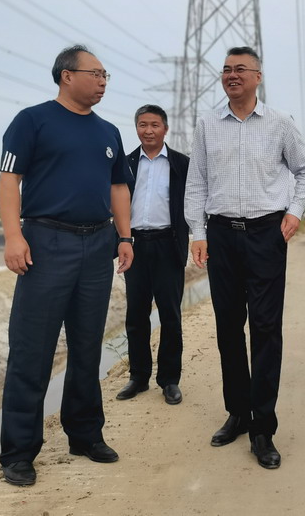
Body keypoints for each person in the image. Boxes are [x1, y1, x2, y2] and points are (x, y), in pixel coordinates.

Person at [0, 45, 133, 486]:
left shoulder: (109, 132)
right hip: (46, 242)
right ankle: (19, 452)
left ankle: (85, 434)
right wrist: (13, 235)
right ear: (66, 75)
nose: (103, 81)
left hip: (98, 245)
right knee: (32, 350)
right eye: (96, 73)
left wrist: (125, 236)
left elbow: (118, 188)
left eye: (106, 74)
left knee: (88, 345)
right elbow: (9, 178)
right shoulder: (32, 121)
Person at [184, 46, 305, 470]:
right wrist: (198, 232)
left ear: (258, 77)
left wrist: (294, 212)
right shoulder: (207, 124)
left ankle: (263, 428)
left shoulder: (279, 123)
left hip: (265, 235)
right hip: (222, 235)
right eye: (226, 69)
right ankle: (238, 413)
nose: (232, 75)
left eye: (241, 69)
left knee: (265, 329)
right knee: (227, 327)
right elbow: (196, 182)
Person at [116, 105, 190, 405]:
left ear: (165, 129)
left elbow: (194, 201)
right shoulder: (125, 163)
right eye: (143, 125)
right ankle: (139, 376)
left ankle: (169, 380)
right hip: (134, 245)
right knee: (136, 314)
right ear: (136, 128)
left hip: (168, 244)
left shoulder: (181, 164)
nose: (148, 130)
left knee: (170, 315)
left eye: (155, 125)